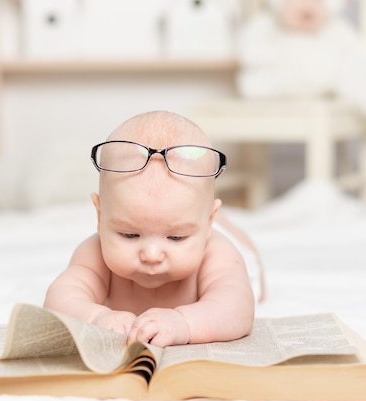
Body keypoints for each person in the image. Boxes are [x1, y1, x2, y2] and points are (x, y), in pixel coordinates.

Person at [43, 111, 264, 348]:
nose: (151, 254)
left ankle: (223, 223)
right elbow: (59, 299)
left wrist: (184, 323)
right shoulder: (94, 252)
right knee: (183, 216)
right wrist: (96, 317)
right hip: (196, 222)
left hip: (228, 250)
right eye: (130, 234)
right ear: (99, 216)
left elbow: (237, 309)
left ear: (208, 223)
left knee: (242, 253)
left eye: (176, 237)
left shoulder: (217, 254)